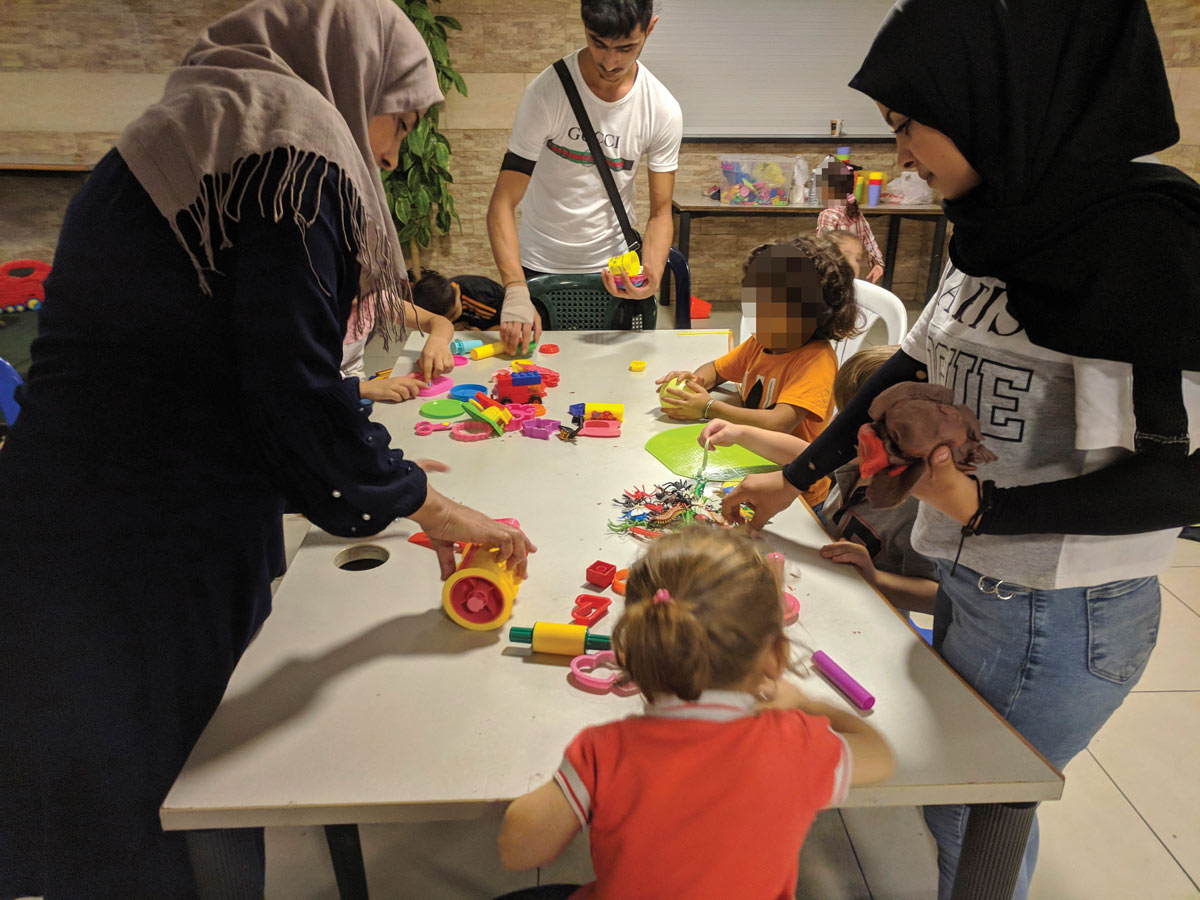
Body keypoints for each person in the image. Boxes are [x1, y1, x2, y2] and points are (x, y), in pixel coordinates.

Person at [0, 1, 535, 897]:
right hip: (139, 541)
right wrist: (425, 504)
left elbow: (218, 362)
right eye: (400, 118)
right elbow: (294, 391)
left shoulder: (192, 126)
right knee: (165, 798)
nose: (397, 152)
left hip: (76, 509)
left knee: (112, 792)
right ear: (353, 79)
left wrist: (372, 471)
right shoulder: (295, 148)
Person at [724, 1, 1200, 896]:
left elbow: (1183, 483)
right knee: (956, 804)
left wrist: (988, 511)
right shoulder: (998, 222)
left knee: (970, 810)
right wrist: (795, 476)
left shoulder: (1144, 244)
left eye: (908, 125)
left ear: (994, 96)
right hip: (980, 586)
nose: (900, 152)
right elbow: (905, 362)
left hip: (1062, 614)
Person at [497, 527, 894, 900]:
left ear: (634, 652)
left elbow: (517, 850)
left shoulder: (604, 752)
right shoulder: (795, 743)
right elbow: (879, 756)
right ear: (776, 658)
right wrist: (806, 705)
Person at [486, 0, 683, 353]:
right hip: (538, 268)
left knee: (615, 385)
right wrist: (515, 287)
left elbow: (660, 211)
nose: (610, 62)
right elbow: (503, 201)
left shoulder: (661, 109)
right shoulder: (547, 93)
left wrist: (650, 276)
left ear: (649, 29)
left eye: (626, 48)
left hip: (614, 272)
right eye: (598, 44)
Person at [702, 345, 937, 615]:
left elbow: (936, 597)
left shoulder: (924, 509)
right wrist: (741, 433)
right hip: (819, 584)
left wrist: (874, 577)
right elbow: (805, 455)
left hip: (868, 616)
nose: (842, 438)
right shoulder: (859, 454)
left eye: (852, 427)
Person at [655, 237, 859, 508]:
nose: (759, 319)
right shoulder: (762, 343)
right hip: (750, 468)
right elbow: (717, 369)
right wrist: (696, 381)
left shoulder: (817, 360)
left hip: (794, 491)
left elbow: (779, 423)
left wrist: (708, 408)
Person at [341, 291, 456, 402]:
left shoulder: (372, 298)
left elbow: (438, 321)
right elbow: (325, 388)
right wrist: (363, 389)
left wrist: (438, 340)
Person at [814, 158, 884, 283]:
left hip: (835, 276)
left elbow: (824, 249)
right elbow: (869, 241)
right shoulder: (856, 212)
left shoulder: (827, 215)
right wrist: (877, 263)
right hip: (854, 273)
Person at [409, 268, 507, 332]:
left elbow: (505, 325)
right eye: (446, 319)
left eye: (453, 315)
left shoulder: (480, 297)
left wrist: (481, 332)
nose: (450, 321)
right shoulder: (442, 296)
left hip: (499, 320)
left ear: (457, 290)